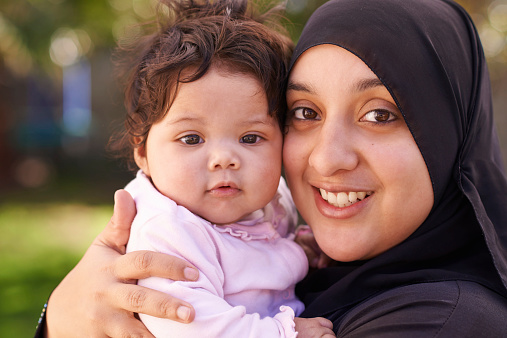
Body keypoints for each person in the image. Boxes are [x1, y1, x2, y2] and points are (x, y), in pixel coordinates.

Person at [37, 0, 507, 336]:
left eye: (380, 114)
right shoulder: (313, 262)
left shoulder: (446, 320)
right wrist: (63, 316)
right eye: (305, 111)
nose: (327, 157)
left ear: (450, 134)